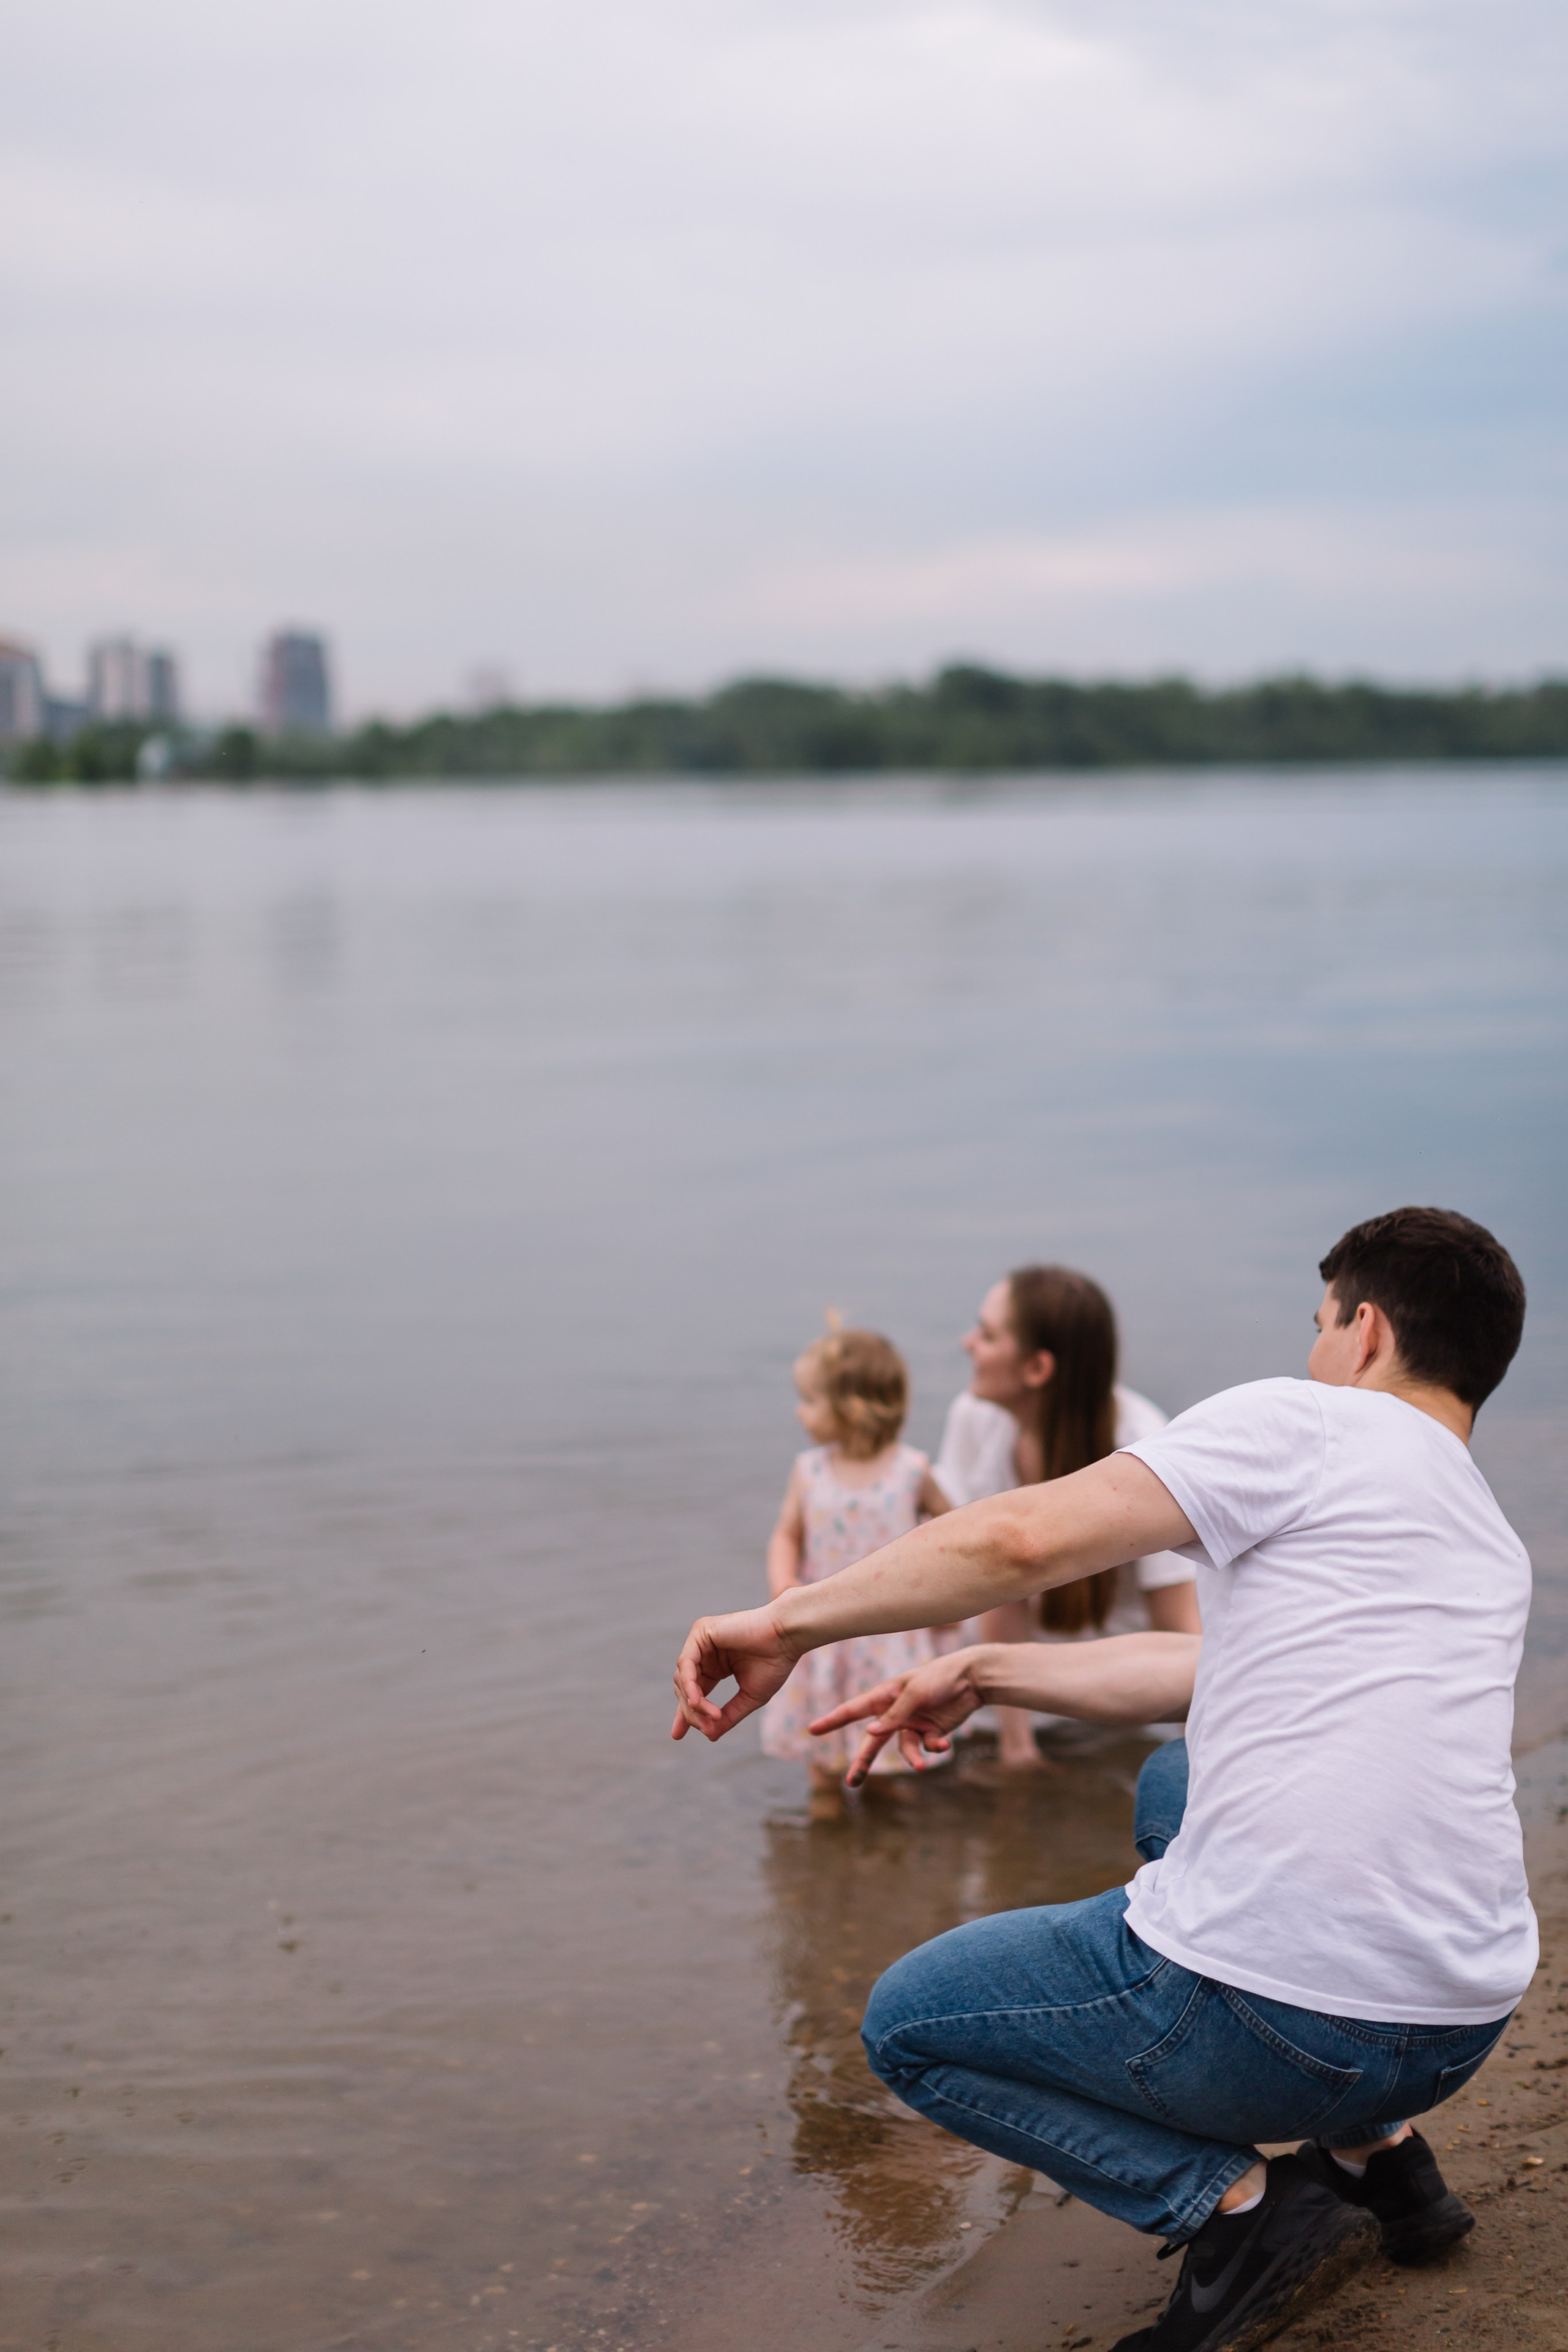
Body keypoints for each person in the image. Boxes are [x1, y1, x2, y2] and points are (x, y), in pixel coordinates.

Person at [673, 1209, 1533, 2351]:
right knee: (1176, 1780)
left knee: (910, 2026)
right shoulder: (1485, 1536)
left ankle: (1240, 2212)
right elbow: (1212, 1674)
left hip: (1293, 2024)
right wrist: (987, 1672)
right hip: (1458, 2020)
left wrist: (787, 1623)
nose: (1313, 1349)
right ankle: (1384, 2159)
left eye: (1320, 1323)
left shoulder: (1310, 1423)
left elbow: (1023, 1540)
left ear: (1365, 1330)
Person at [933, 1265, 1200, 1766]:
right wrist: (1016, 1747)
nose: (967, 1344)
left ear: (1037, 1369)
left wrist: (1202, 1760)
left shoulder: (1145, 1448)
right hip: (1003, 1682)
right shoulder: (974, 1418)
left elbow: (1178, 1626)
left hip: (1107, 1691)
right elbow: (992, 1588)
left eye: (987, 1336)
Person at [758, 1325, 952, 1818]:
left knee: (885, 1718)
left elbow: (954, 1532)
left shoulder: (910, 1471)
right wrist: (784, 1587)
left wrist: (946, 1595)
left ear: (853, 1408)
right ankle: (825, 1794)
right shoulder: (809, 1471)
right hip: (824, 1623)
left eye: (809, 1400)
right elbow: (786, 1535)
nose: (799, 1412)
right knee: (822, 1718)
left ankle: (882, 1791)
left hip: (888, 1628)